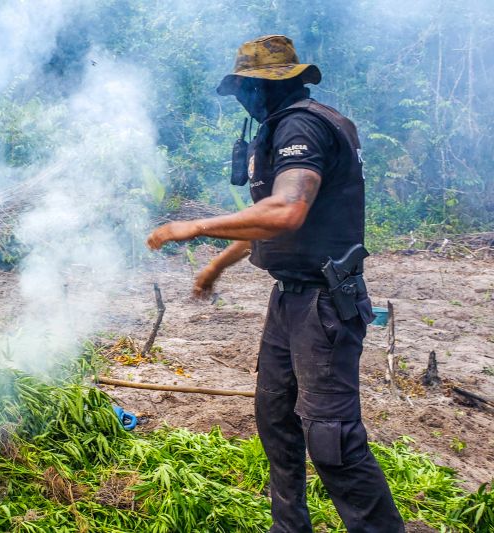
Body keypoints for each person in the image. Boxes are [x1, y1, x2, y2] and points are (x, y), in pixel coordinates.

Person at [146, 35, 405, 533]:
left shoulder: (302, 126)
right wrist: (216, 266)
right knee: (276, 421)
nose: (242, 97)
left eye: (247, 87)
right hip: (289, 300)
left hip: (324, 304)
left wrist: (195, 226)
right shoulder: (278, 129)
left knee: (332, 438)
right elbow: (267, 223)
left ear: (272, 86)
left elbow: (287, 211)